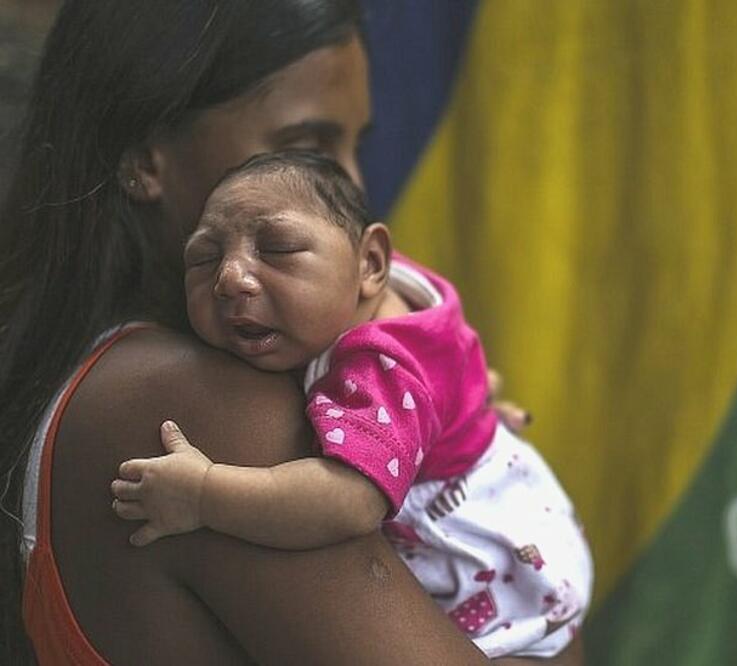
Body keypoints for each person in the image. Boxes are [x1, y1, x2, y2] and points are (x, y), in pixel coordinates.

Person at [0, 1, 581, 663]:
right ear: (144, 159)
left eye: (355, 149)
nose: (351, 187)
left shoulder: (92, 364)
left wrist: (442, 426)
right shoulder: (196, 403)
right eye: (307, 147)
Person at [109, 151, 593, 658]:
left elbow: (350, 501)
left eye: (278, 248)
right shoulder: (383, 286)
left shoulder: (380, 368)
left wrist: (204, 494)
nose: (229, 278)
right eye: (203, 258)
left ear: (371, 263)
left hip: (495, 573)